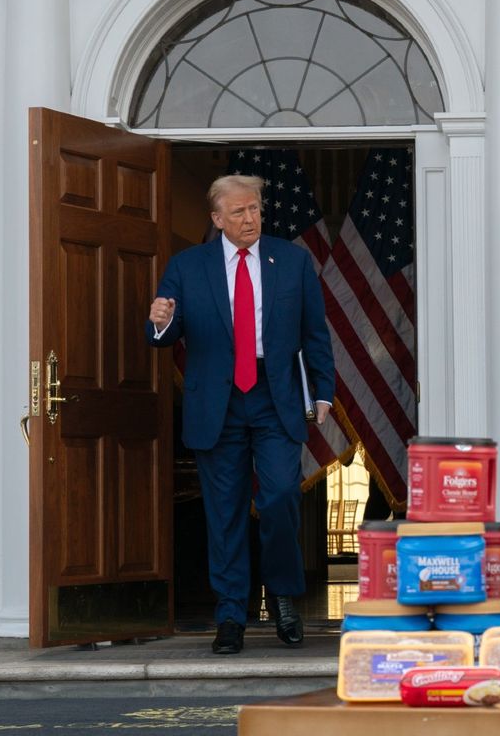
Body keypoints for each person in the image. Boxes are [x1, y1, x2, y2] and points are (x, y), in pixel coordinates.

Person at [148, 174, 335, 655]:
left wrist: (323, 391)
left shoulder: (291, 261)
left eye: (254, 209)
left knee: (278, 500)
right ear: (217, 219)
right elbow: (166, 334)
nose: (250, 218)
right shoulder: (188, 266)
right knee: (225, 513)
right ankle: (230, 615)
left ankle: (285, 598)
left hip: (276, 398)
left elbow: (315, 333)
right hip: (218, 402)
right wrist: (161, 323)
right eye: (238, 212)